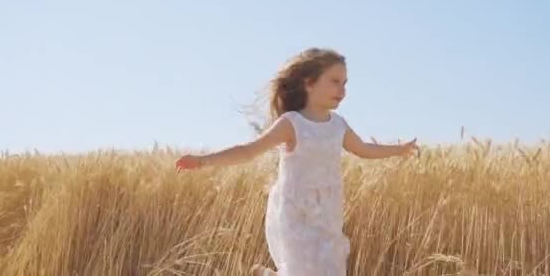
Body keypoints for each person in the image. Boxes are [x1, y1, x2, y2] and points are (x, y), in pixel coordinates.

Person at [175, 48, 419, 276]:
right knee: (301, 269)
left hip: (328, 213)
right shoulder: (292, 124)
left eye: (345, 83)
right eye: (334, 81)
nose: (342, 90)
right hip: (296, 212)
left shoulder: (338, 126)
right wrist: (203, 161)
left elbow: (364, 149)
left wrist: (399, 150)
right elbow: (249, 151)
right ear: (309, 83)